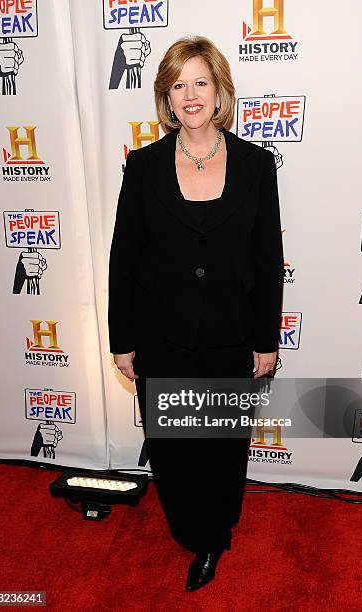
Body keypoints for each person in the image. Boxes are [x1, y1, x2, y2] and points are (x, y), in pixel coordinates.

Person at [108, 35, 284, 592]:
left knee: (223, 449)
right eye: (178, 84)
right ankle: (191, 529)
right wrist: (122, 338)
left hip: (232, 339)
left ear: (219, 91)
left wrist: (265, 338)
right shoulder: (143, 165)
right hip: (163, 338)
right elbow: (124, 256)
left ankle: (213, 537)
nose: (190, 95)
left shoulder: (257, 165)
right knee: (175, 454)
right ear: (166, 96)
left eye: (200, 82)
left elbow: (266, 257)